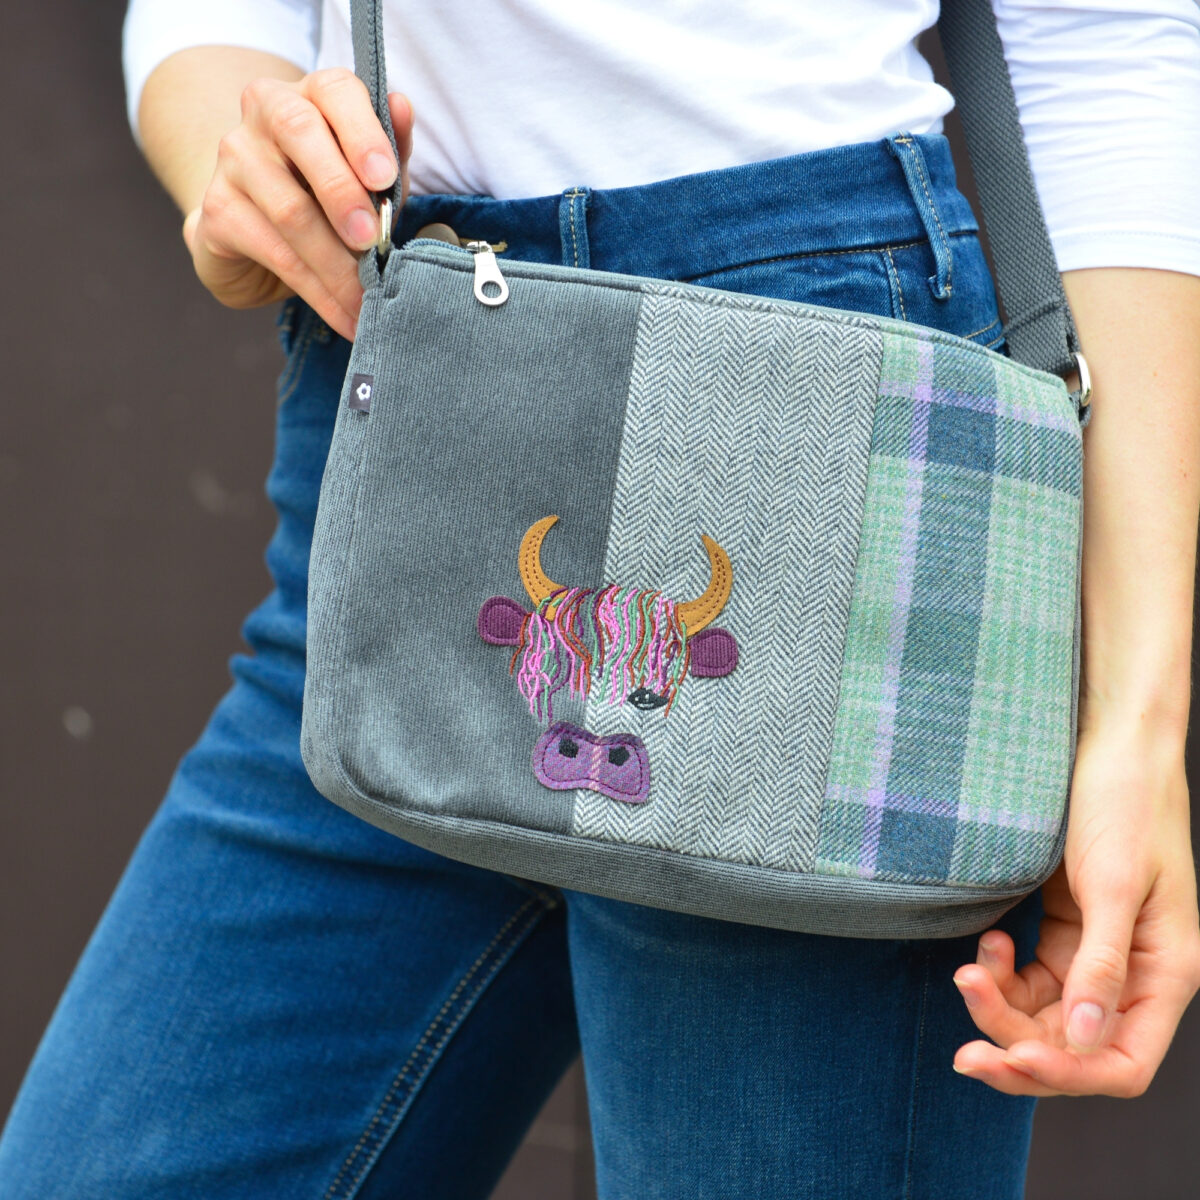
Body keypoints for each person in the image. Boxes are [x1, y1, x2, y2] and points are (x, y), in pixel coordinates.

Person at [2, 1, 1199, 1196]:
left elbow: (1103, 34)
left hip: (818, 412)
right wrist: (243, 160)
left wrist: (1135, 726)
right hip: (415, 398)